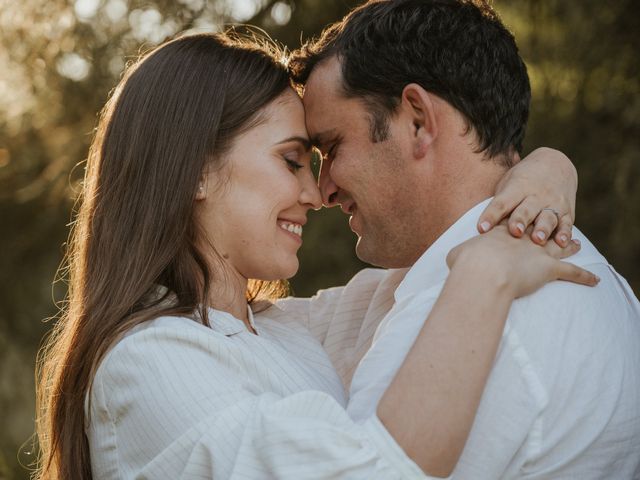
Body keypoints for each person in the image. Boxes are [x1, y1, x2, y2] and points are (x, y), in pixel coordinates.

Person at [34, 32, 596, 480]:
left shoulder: (285, 331)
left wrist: (548, 167)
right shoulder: (149, 362)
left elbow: (433, 268)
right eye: (292, 161)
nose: (315, 194)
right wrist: (484, 273)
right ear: (198, 169)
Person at [287, 0, 640, 478]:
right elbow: (255, 323)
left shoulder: (466, 322)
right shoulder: (594, 277)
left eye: (331, 148)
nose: (322, 189)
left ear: (417, 120)